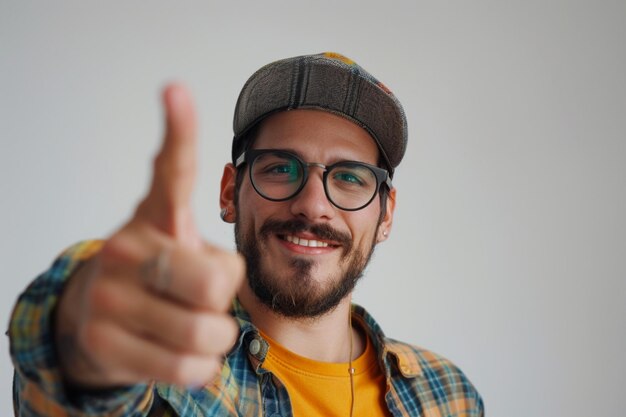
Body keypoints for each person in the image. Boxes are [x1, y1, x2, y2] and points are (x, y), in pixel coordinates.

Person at [9, 52, 484, 417]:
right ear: (230, 193)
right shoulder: (164, 369)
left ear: (385, 215)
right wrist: (80, 328)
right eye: (281, 167)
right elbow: (69, 391)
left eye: (350, 177)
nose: (313, 204)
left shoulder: (447, 394)